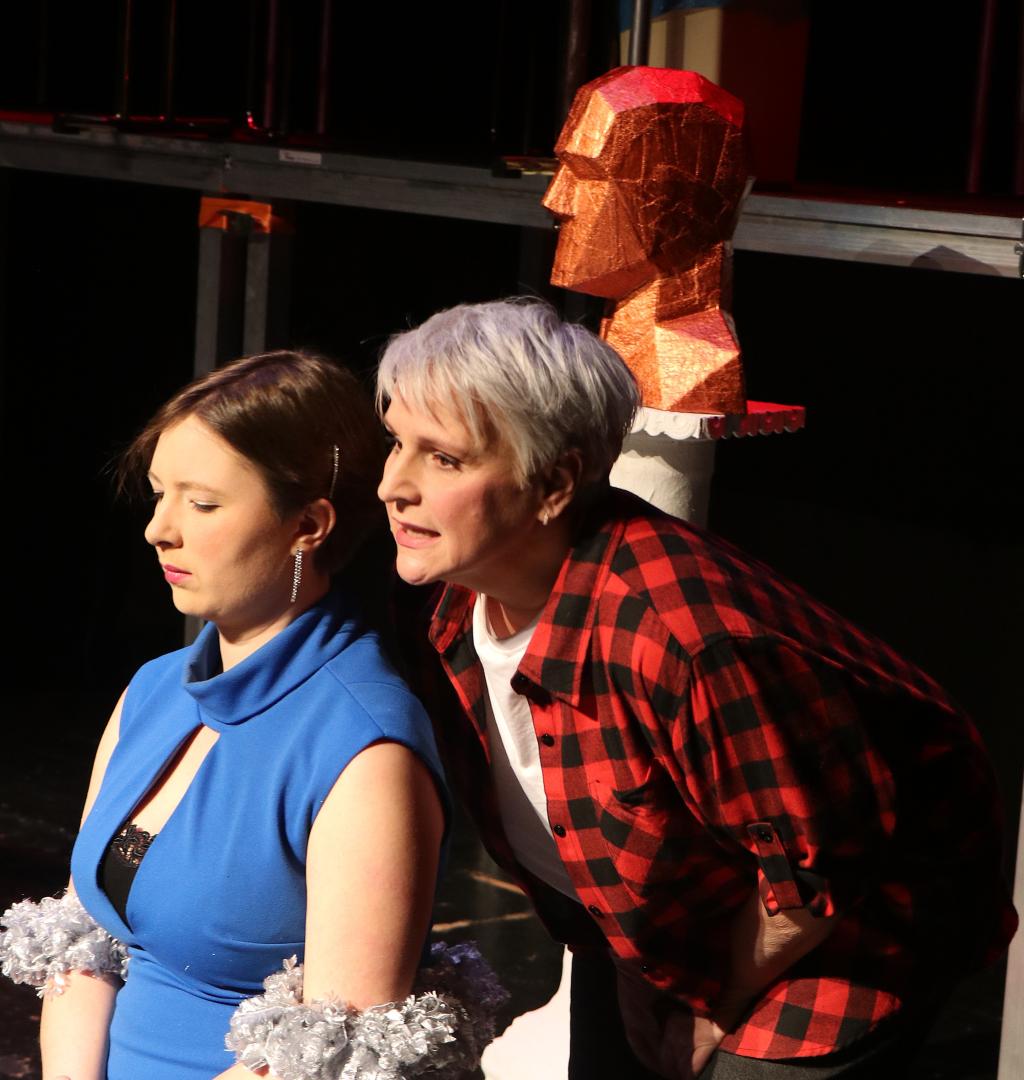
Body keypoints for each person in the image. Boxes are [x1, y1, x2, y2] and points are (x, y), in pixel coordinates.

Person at [374, 298, 1017, 1079]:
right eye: (397, 442)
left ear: (554, 483)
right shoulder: (445, 600)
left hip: (845, 931)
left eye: (444, 459)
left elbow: (811, 875)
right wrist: (642, 973)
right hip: (668, 917)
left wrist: (714, 1002)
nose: (392, 485)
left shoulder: (682, 642)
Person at [0, 351, 502, 1080]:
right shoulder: (154, 690)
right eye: (159, 495)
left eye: (202, 504)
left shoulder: (364, 750)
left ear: (308, 524)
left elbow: (328, 1060)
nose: (159, 529)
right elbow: (84, 936)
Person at [543, 66, 748, 415]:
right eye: (562, 169)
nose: (554, 200)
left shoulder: (692, 364)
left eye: (588, 174)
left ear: (675, 199)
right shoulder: (613, 338)